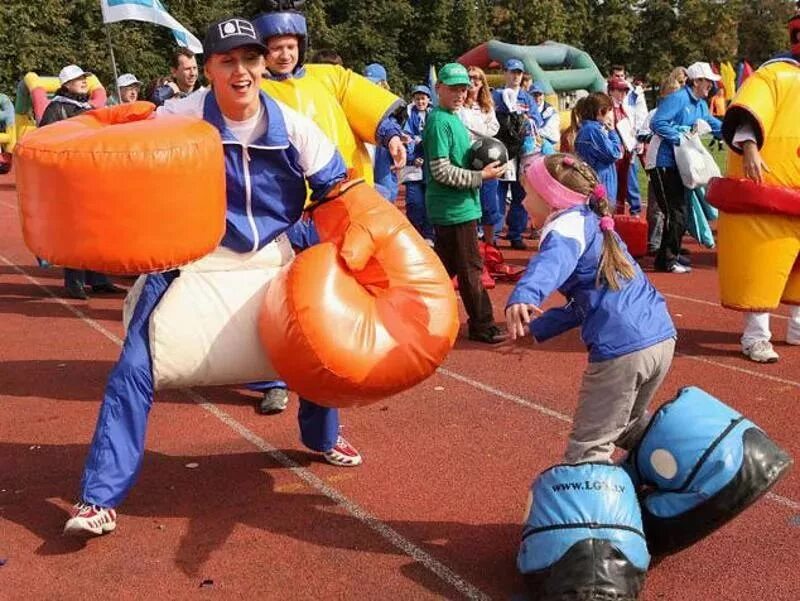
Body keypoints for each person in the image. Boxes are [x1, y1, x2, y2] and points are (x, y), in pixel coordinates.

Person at [64, 17, 364, 537]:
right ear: (208, 68)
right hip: (195, 254)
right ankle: (99, 498)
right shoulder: (180, 113)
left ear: (263, 64)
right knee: (133, 366)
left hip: (273, 252)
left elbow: (341, 190)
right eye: (228, 61)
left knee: (322, 344)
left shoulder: (294, 126)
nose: (241, 70)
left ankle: (321, 437)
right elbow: (117, 142)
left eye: (250, 59)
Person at [249, 5, 405, 433]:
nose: (284, 55)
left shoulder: (329, 78)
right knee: (271, 298)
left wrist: (391, 137)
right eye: (275, 48)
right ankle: (272, 379)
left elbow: (374, 114)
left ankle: (324, 407)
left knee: (327, 304)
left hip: (333, 207)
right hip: (279, 211)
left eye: (290, 46)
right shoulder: (253, 88)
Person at [506, 153, 676, 463]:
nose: (521, 203)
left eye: (527, 194)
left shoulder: (565, 227)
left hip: (623, 349)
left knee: (588, 447)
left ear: (550, 199)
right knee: (625, 426)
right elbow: (584, 304)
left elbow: (551, 263)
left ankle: (593, 512)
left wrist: (525, 295)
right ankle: (687, 459)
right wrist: (539, 330)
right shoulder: (594, 222)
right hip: (660, 335)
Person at [708, 9, 800, 363]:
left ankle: (796, 326)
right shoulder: (775, 75)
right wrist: (749, 148)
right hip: (766, 192)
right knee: (761, 267)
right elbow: (747, 112)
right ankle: (756, 336)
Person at [423, 63, 507, 344]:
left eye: (463, 89)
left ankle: (414, 311)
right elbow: (441, 170)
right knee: (471, 268)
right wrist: (480, 175)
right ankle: (482, 324)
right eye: (453, 89)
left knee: (445, 268)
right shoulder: (439, 121)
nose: (460, 94)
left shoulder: (451, 117)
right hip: (454, 208)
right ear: (439, 89)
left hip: (456, 206)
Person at [38, 65, 125, 300]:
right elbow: (45, 140)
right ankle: (73, 281)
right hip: (69, 178)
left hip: (92, 175)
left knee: (96, 228)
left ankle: (98, 279)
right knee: (75, 231)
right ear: (66, 84)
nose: (84, 81)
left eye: (84, 78)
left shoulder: (88, 108)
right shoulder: (56, 108)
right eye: (78, 79)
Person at [649, 61, 722, 274]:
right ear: (697, 81)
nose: (711, 86)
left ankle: (667, 256)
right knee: (675, 212)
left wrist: (732, 131)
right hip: (663, 162)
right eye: (708, 82)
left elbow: (711, 123)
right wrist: (679, 137)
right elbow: (658, 122)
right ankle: (666, 260)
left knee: (680, 211)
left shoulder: (699, 104)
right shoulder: (678, 98)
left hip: (681, 163)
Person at [492, 58, 544, 250]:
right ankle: (495, 233)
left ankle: (515, 234)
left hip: (523, 152)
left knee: (520, 194)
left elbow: (537, 121)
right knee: (498, 192)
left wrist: (526, 121)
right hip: (502, 150)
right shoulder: (496, 96)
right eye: (512, 72)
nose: (515, 76)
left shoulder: (527, 98)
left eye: (519, 73)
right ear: (505, 73)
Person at [458, 66, 500, 245]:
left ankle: (491, 245)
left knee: (490, 205)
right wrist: (482, 129)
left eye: (477, 78)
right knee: (469, 204)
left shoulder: (487, 106)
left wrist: (474, 128)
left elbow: (494, 129)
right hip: (466, 160)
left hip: (487, 160)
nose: (473, 81)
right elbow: (464, 127)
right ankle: (472, 245)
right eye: (470, 78)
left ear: (483, 82)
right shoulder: (459, 106)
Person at [573, 92, 623, 207]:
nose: (611, 114)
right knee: (602, 219)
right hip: (600, 183)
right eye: (609, 110)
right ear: (601, 111)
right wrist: (613, 132)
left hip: (595, 181)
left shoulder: (588, 129)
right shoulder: (592, 131)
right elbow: (614, 153)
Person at [364, 63, 399, 202]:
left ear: (384, 85)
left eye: (376, 84)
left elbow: (405, 151)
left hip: (384, 176)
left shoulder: (390, 116)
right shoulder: (356, 109)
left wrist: (403, 144)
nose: (371, 89)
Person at [403, 84, 434, 242]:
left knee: (430, 202)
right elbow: (406, 138)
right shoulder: (408, 115)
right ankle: (415, 234)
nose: (420, 101)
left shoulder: (434, 114)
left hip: (430, 166)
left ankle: (429, 235)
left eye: (423, 98)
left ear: (428, 99)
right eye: (417, 98)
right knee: (414, 203)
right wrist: (412, 157)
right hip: (413, 166)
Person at [607, 77, 640, 215]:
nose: (622, 94)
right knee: (612, 188)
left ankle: (620, 215)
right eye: (619, 91)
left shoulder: (625, 108)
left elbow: (631, 128)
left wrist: (635, 142)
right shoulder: (607, 109)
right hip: (614, 155)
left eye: (625, 91)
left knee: (625, 186)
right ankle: (610, 215)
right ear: (611, 91)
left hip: (627, 153)